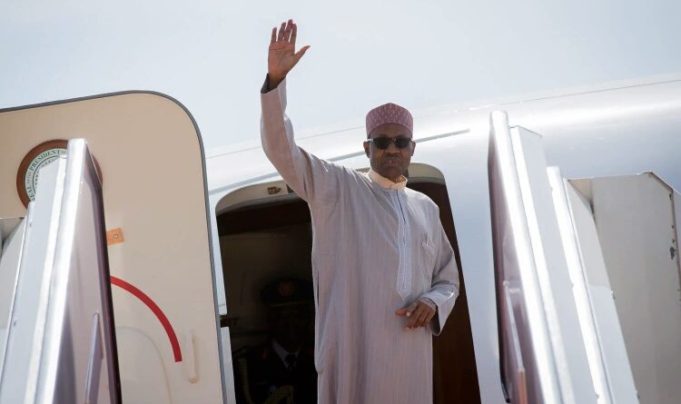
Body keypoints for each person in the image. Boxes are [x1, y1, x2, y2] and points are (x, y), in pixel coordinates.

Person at [260, 19, 459, 404]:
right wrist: (275, 82)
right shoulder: (338, 188)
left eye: (400, 141)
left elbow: (447, 279)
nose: (391, 149)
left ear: (412, 148)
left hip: (411, 362)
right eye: (381, 142)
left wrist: (433, 301)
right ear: (367, 148)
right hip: (355, 360)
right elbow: (281, 151)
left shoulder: (426, 209)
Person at [236, 278, 317, 404]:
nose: (291, 323)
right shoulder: (247, 366)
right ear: (270, 320)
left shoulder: (321, 360)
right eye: (283, 316)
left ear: (309, 319)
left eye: (298, 315)